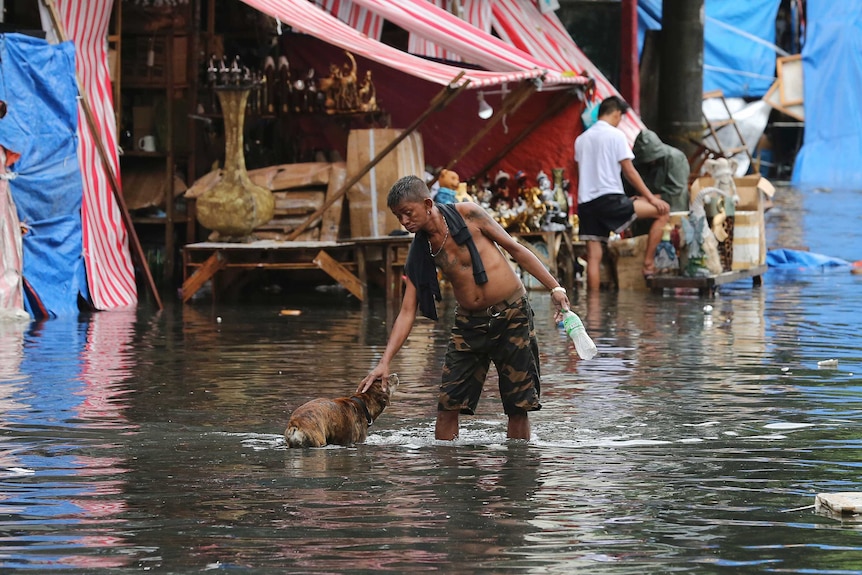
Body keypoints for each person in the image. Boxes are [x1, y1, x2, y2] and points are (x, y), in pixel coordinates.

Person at [358, 175, 572, 440]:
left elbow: (515, 249)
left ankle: (520, 473)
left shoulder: (470, 214)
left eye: (407, 213)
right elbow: (407, 310)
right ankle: (447, 476)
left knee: (519, 406)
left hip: (512, 316)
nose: (404, 222)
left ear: (427, 204)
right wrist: (384, 361)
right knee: (448, 404)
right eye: (398, 217)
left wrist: (555, 288)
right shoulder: (420, 250)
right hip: (469, 325)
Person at [574, 96, 670, 290]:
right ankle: (648, 264)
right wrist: (651, 198)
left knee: (593, 257)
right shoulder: (616, 136)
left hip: (586, 203)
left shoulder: (581, 139)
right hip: (610, 199)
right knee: (663, 211)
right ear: (617, 113)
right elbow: (629, 171)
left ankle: (593, 313)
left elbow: (580, 172)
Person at [631, 128, 690, 213]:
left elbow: (675, 191)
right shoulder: (638, 161)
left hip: (673, 207)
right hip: (646, 204)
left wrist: (646, 198)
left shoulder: (674, 158)